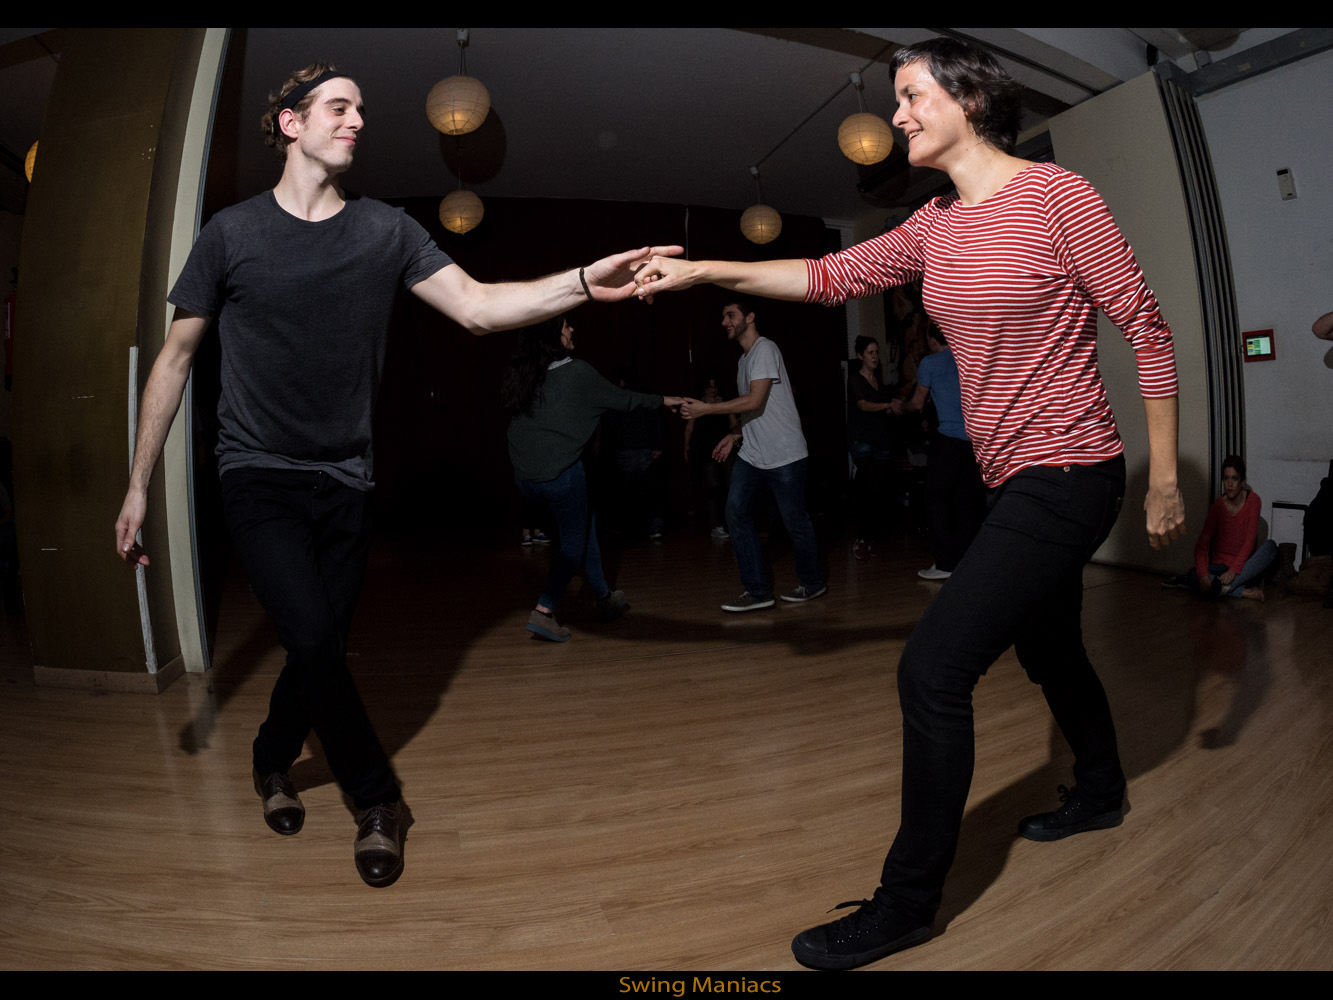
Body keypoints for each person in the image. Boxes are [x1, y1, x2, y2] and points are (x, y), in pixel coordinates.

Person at [635, 37, 1185, 969]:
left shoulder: (1058, 198)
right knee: (1049, 648)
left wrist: (1164, 477)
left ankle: (906, 904)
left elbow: (1146, 326)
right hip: (1007, 476)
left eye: (909, 95)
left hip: (1069, 471)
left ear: (969, 98)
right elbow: (827, 277)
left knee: (930, 672)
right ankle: (1099, 790)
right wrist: (702, 272)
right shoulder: (934, 225)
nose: (895, 116)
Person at [113, 62, 680, 889]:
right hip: (257, 470)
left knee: (316, 646)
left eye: (361, 110)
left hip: (347, 478)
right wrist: (137, 484)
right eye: (338, 107)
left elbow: (479, 307)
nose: (357, 121)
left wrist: (587, 284)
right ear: (290, 123)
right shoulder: (230, 235)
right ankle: (378, 801)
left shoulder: (384, 230)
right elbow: (173, 359)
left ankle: (271, 759)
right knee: (313, 639)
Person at [504, 318, 682, 641]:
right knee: (572, 544)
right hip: (562, 476)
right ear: (552, 335)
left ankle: (604, 598)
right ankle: (544, 611)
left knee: (585, 526)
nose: (572, 330)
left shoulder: (528, 376)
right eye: (565, 326)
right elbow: (624, 400)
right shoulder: (577, 373)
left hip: (527, 480)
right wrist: (662, 400)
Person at [678, 298, 827, 611]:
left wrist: (706, 409)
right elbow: (754, 411)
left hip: (785, 453)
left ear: (750, 317)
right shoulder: (743, 361)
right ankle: (757, 590)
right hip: (753, 454)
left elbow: (754, 400)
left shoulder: (765, 349)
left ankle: (813, 582)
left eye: (730, 315)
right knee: (735, 512)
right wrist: (734, 435)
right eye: (723, 316)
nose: (724, 322)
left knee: (794, 521)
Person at [892, 325, 985, 580]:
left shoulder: (930, 363)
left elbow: (917, 403)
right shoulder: (967, 358)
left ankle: (945, 564)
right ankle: (966, 563)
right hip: (974, 442)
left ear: (933, 341)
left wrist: (901, 407)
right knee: (966, 503)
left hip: (949, 441)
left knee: (935, 499)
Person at [1162, 454, 1276, 601]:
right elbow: (1202, 545)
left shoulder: (1253, 500)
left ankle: (1221, 588)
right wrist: (1203, 574)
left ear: (1242, 481)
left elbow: (1250, 540)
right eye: (1226, 479)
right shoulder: (1218, 506)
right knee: (1195, 574)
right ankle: (1241, 591)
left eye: (1234, 479)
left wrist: (1233, 571)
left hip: (1243, 568)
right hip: (1219, 569)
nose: (1230, 484)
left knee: (1271, 547)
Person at [847, 335, 897, 561]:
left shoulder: (879, 380)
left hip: (880, 441)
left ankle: (870, 538)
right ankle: (862, 538)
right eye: (870, 352)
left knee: (879, 490)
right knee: (868, 487)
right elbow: (863, 405)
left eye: (876, 352)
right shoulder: (855, 380)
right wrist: (887, 405)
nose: (875, 356)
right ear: (860, 356)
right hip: (863, 441)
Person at [683, 377, 735, 540]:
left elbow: (734, 423)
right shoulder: (699, 404)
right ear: (704, 388)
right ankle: (716, 525)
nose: (712, 390)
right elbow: (689, 427)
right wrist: (686, 445)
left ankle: (732, 522)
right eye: (709, 387)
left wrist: (737, 439)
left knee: (731, 486)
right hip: (707, 451)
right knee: (713, 487)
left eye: (715, 386)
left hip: (726, 450)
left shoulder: (724, 402)